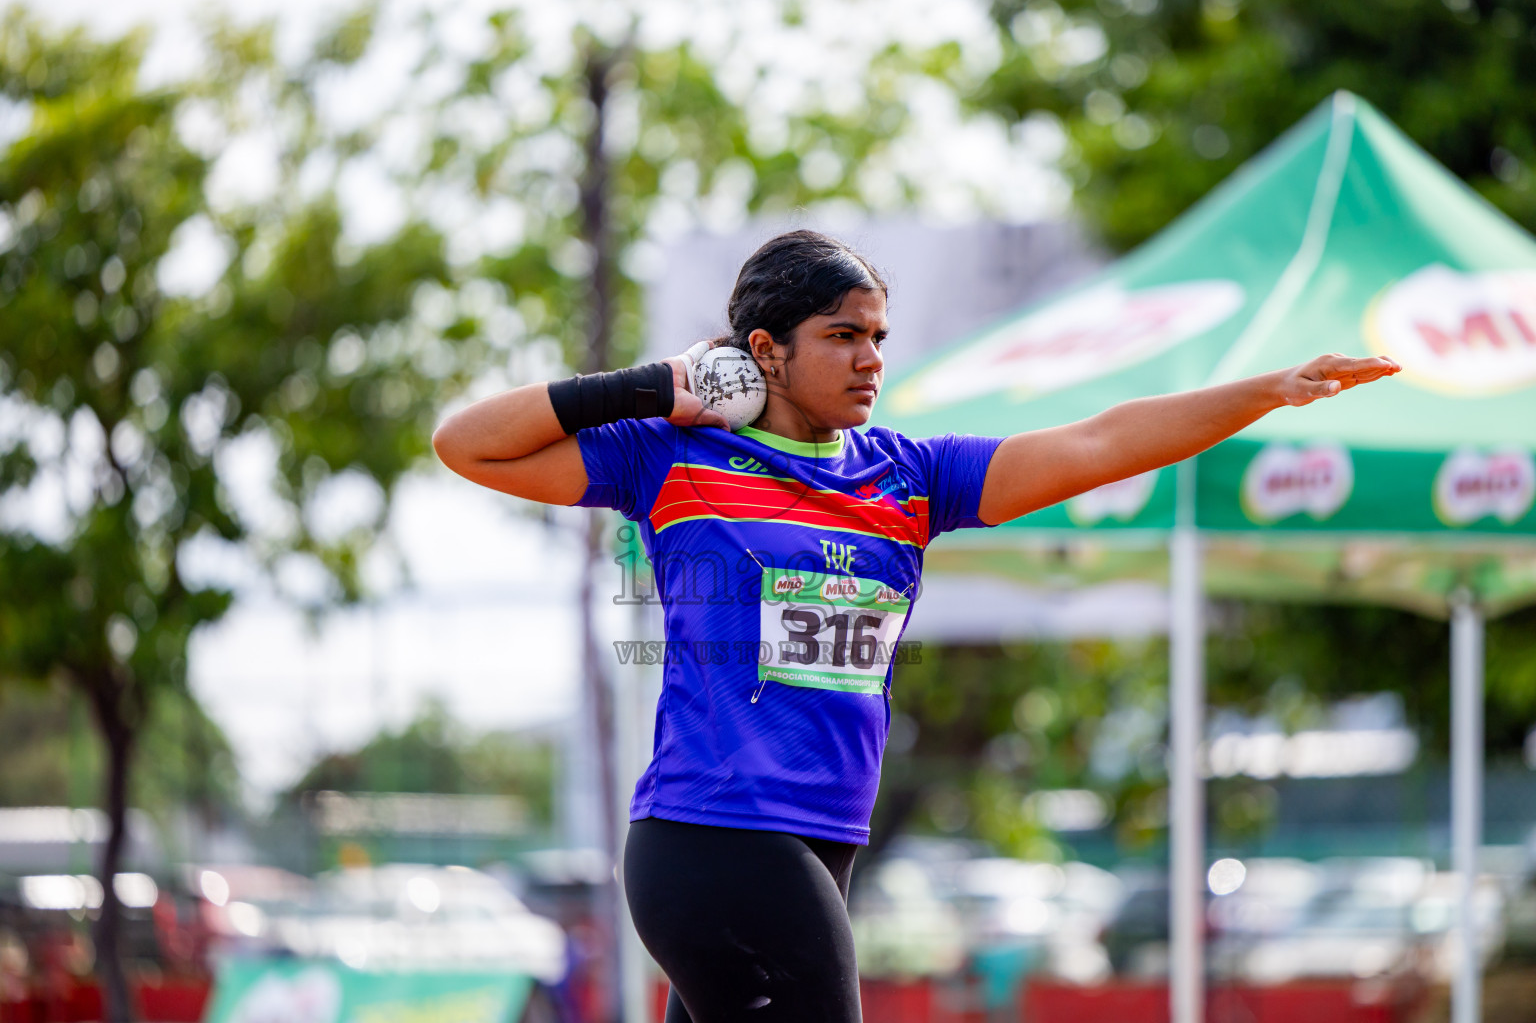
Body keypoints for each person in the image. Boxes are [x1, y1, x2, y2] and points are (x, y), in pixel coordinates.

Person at [432, 230, 1399, 1022]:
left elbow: (1099, 443)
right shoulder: (674, 459)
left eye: (879, 337)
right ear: (763, 351)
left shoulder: (909, 475)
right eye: (842, 335)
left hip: (824, 842)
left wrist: (1268, 390)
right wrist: (648, 387)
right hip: (709, 834)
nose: (871, 360)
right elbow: (466, 443)